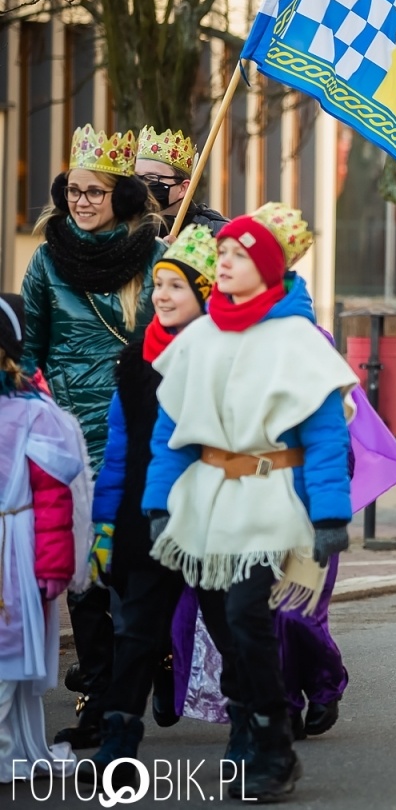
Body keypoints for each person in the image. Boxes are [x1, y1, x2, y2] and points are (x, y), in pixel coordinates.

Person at [142, 202, 357, 799]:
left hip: (270, 499)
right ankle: (252, 720)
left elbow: (323, 434)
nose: (224, 262)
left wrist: (330, 514)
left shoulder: (296, 339)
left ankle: (272, 745)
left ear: (264, 266)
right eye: (223, 254)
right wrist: (159, 501)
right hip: (208, 503)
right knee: (224, 624)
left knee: (245, 614)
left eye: (237, 255)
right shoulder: (203, 335)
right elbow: (171, 430)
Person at [21, 124, 164, 749]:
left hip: (134, 432)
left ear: (121, 198)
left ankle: (145, 669)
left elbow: (171, 339)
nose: (81, 202)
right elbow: (27, 346)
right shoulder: (48, 260)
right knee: (82, 577)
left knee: (126, 573)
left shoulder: (154, 255)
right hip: (72, 437)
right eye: (74, 191)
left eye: (94, 192)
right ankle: (98, 699)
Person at [88, 223, 217, 766]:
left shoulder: (223, 353)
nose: (161, 296)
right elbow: (120, 447)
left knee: (232, 633)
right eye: (158, 285)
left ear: (205, 294)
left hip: (211, 515)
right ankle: (119, 739)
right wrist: (105, 525)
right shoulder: (136, 355)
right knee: (137, 631)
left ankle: (259, 736)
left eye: (177, 287)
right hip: (144, 513)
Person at [0, 293, 91, 778]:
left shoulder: (35, 416)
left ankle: (7, 749)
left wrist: (54, 565)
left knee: (7, 655)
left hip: (12, 553)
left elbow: (53, 498)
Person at [135, 126, 228, 236]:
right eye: (135, 177)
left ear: (183, 188)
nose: (140, 185)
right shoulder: (122, 229)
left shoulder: (216, 234)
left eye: (151, 178)